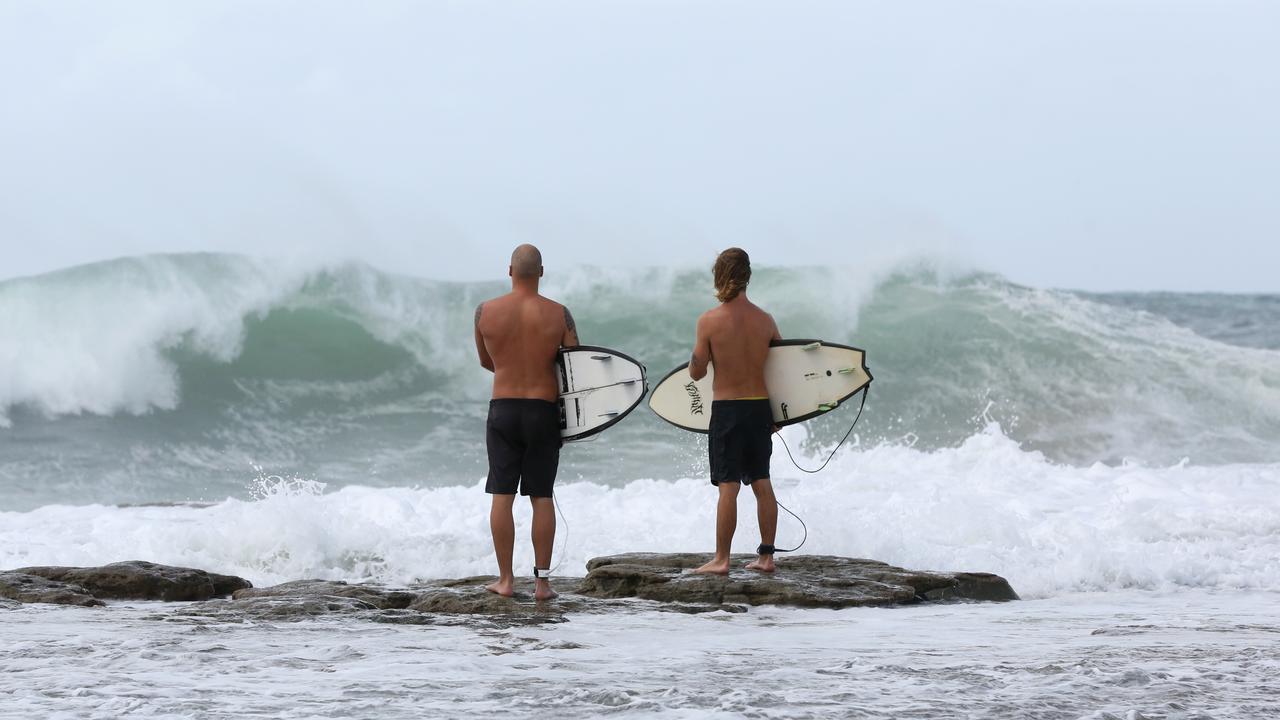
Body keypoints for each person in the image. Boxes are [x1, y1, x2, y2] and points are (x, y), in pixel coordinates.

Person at [474, 244, 579, 600]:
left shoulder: (484, 312)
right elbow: (574, 367)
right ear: (542, 272)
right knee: (541, 495)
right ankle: (542, 584)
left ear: (509, 271)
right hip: (542, 411)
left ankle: (505, 580)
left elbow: (487, 362)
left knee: (501, 496)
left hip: (502, 409)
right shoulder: (559, 314)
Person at [689, 247, 781, 575]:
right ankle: (767, 557)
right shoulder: (765, 321)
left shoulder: (709, 321)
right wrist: (779, 415)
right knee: (761, 481)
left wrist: (697, 359)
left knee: (728, 486)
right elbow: (783, 370)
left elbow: (697, 372)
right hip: (759, 409)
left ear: (720, 276)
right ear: (747, 277)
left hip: (727, 410)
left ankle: (721, 560)